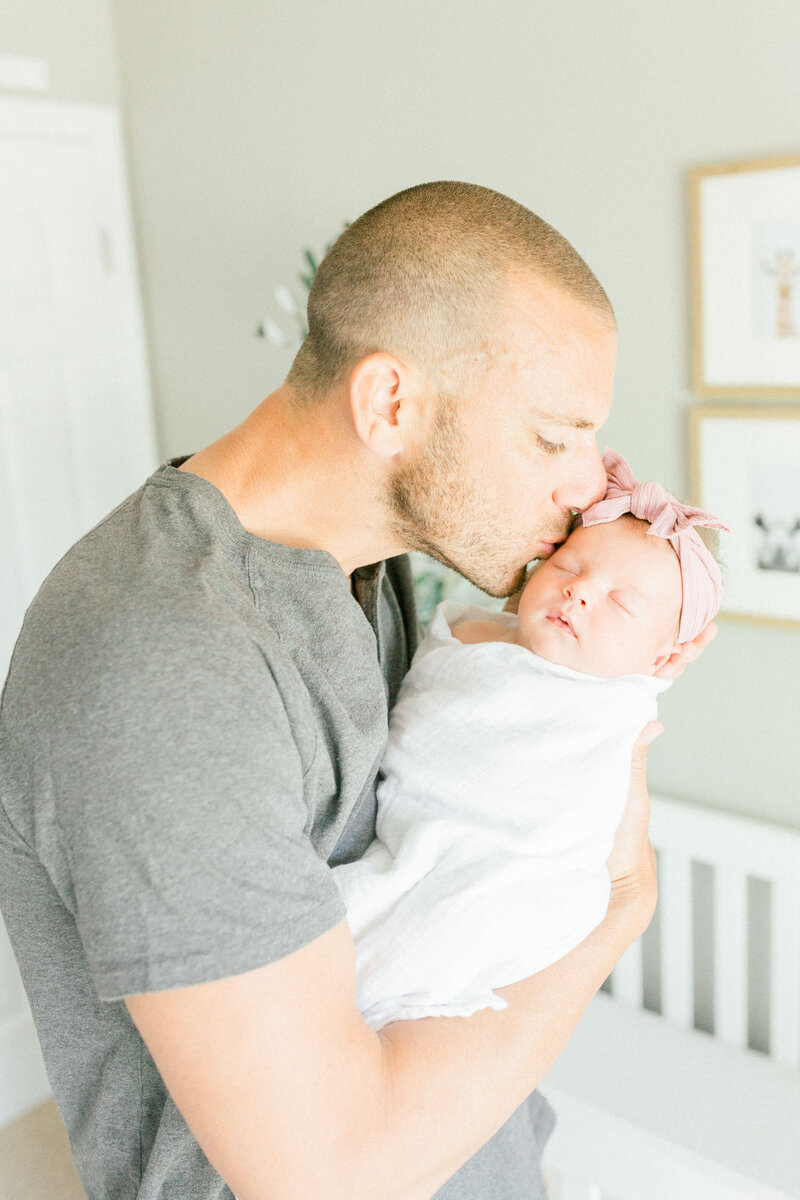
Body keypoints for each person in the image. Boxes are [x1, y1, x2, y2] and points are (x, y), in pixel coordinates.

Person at [0, 181, 714, 1200]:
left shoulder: (356, 561)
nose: (584, 487)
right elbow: (327, 1176)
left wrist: (602, 678)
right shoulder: (161, 663)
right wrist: (615, 911)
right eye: (551, 439)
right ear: (389, 404)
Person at [333, 450, 729, 1032]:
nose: (580, 593)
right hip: (414, 825)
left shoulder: (612, 701)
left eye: (621, 603)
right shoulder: (473, 631)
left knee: (415, 937)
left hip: (506, 869)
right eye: (569, 568)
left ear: (663, 659)